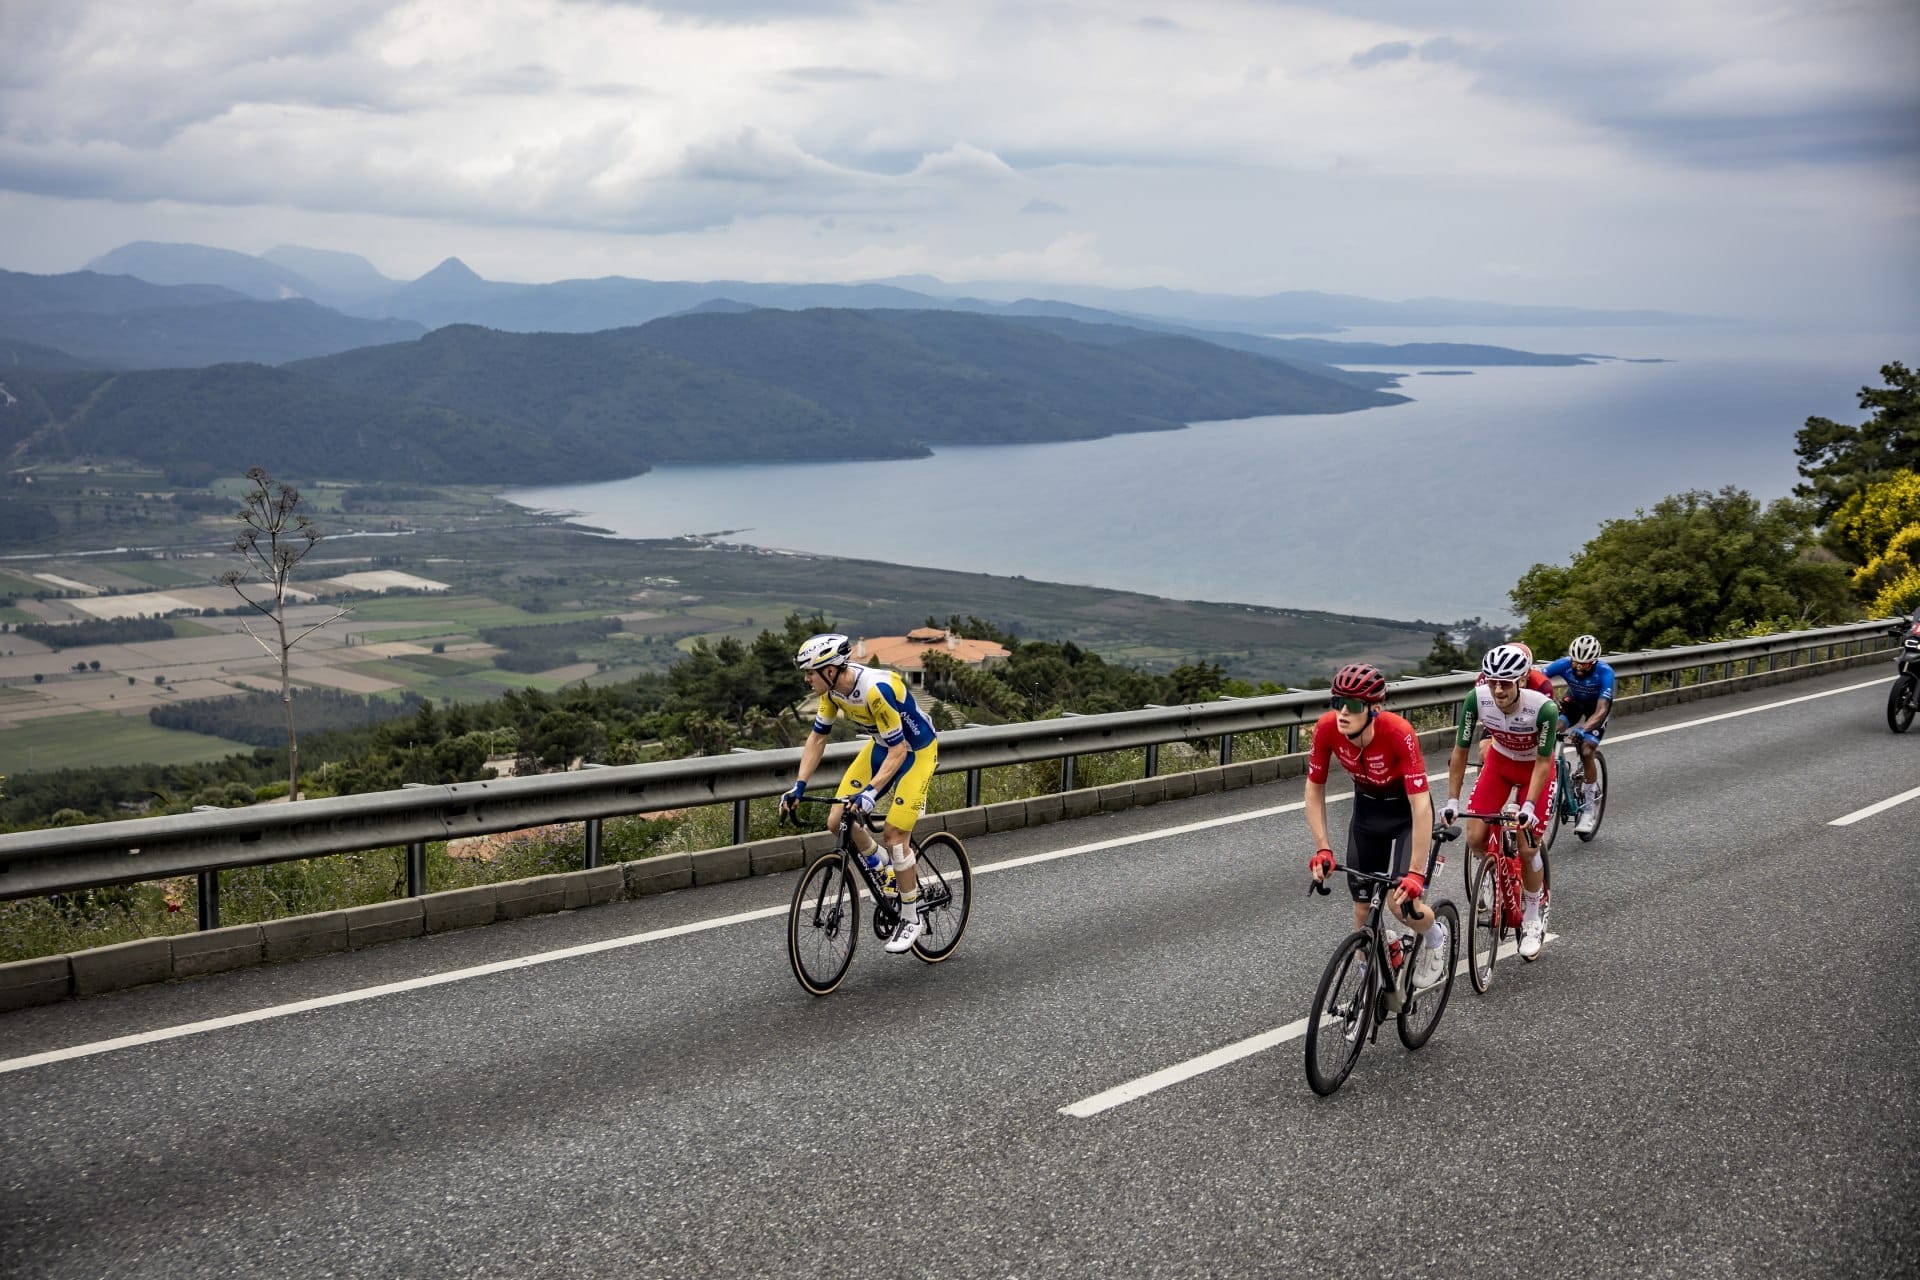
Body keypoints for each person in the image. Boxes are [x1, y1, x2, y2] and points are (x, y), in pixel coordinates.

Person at [777, 633, 940, 953]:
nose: (807, 679)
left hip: (916, 752)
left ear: (830, 670)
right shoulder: (833, 692)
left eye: (810, 672)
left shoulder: (875, 691)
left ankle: (911, 916)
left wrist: (870, 793)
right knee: (838, 819)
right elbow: (817, 739)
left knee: (894, 834)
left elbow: (899, 752)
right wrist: (799, 785)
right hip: (882, 748)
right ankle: (882, 867)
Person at [1305, 663, 1448, 992]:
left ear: (1374, 709)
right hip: (1367, 813)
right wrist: (1323, 849)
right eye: (1337, 701)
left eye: (1353, 705)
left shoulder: (1399, 733)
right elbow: (1314, 789)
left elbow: (1421, 804)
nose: (1342, 712)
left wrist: (1414, 872)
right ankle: (1375, 979)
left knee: (1401, 906)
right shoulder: (1327, 729)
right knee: (1361, 909)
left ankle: (1434, 936)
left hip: (1406, 814)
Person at [1441, 643, 1560, 961]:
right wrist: (1453, 799)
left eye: (1505, 682)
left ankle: (1533, 915)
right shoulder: (1476, 699)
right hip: (1500, 764)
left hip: (1535, 768)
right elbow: (1460, 752)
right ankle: (1494, 873)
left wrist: (1529, 806)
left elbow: (1545, 763)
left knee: (1527, 846)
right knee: (1475, 836)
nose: (1497, 689)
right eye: (1492, 681)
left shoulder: (1544, 708)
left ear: (1522, 680)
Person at [1543, 634, 1614, 834]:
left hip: (1596, 710)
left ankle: (1589, 811)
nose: (1579, 667)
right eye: (1576, 662)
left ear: (1594, 661)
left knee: (1587, 749)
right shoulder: (1565, 664)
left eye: (1585, 664)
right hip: (1573, 702)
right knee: (1552, 729)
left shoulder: (1605, 672)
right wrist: (1548, 699)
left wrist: (1584, 729)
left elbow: (1601, 711)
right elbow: (1537, 678)